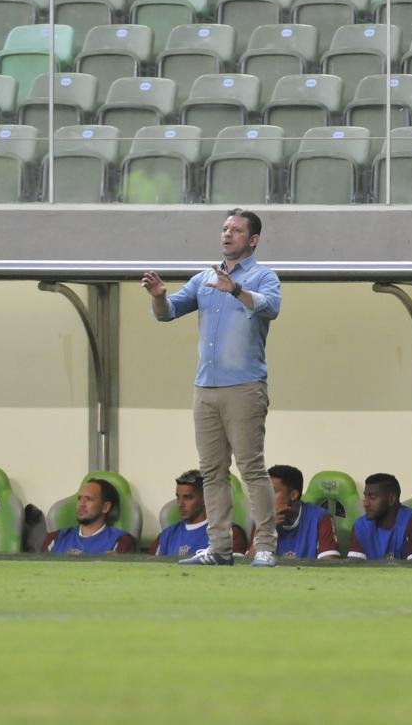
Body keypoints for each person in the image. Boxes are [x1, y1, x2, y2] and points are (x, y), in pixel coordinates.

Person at [141, 209, 281, 568]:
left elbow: (269, 308)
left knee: (251, 468)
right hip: (205, 388)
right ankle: (219, 548)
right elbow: (167, 313)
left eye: (236, 230)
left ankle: (264, 545)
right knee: (212, 471)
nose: (227, 234)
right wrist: (158, 295)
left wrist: (234, 289)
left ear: (253, 240)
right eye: (224, 228)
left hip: (245, 386)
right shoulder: (204, 278)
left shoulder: (264, 277)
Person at [152, 470, 248, 558]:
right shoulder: (167, 535)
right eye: (178, 497)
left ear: (205, 498)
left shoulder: (228, 533)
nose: (180, 504)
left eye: (187, 497)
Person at [347, 473, 412, 561]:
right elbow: (354, 568)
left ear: (391, 499)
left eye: (372, 497)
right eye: (365, 496)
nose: (365, 503)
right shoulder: (361, 526)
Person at [258, 465, 340, 560]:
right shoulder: (262, 518)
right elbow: (246, 564)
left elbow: (330, 565)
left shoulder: (320, 518)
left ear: (293, 495)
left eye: (272, 491)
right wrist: (266, 530)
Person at [43, 480, 136, 555]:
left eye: (88, 499)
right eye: (80, 499)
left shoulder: (120, 541)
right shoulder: (55, 538)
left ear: (105, 507)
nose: (81, 504)